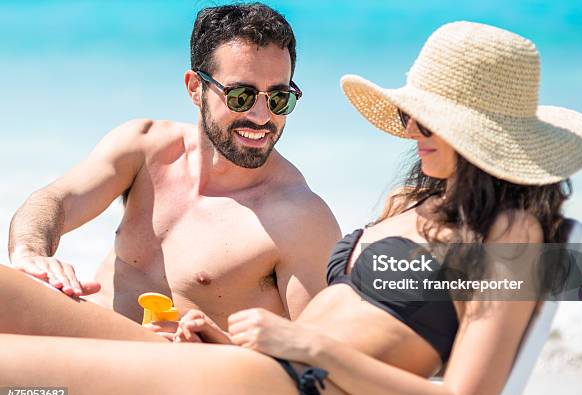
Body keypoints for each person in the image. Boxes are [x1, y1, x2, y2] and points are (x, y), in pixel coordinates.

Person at [0, 21, 582, 395]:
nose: (410, 130)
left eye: (428, 118)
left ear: (481, 134)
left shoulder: (510, 235)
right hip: (249, 369)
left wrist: (306, 347)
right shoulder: (412, 205)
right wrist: (234, 340)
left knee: (18, 384)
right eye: (410, 113)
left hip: (289, 388)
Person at [6, 3, 341, 325]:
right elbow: (55, 200)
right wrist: (31, 254)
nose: (261, 116)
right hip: (88, 339)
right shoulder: (145, 147)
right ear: (196, 88)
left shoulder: (301, 220)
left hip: (172, 373)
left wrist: (212, 345)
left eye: (279, 99)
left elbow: (316, 364)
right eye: (242, 96)